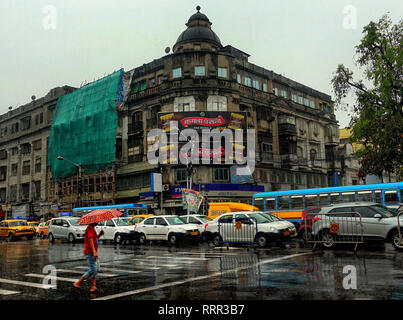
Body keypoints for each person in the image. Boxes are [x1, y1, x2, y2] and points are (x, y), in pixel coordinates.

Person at [73, 223, 104, 293]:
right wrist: (94, 252)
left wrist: (99, 235)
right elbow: (90, 240)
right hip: (90, 252)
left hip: (93, 252)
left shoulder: (92, 228)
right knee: (93, 269)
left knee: (97, 268)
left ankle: (93, 286)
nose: (98, 222)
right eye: (97, 221)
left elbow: (94, 239)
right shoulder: (90, 228)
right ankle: (78, 283)